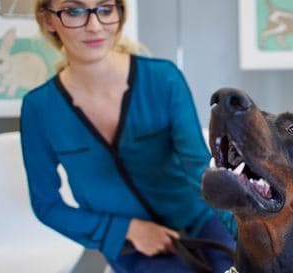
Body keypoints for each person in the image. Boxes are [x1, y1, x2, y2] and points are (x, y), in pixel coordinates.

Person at [21, 0, 235, 272]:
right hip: (131, 244)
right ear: (49, 19)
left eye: (105, 9)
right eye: (75, 11)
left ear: (119, 14)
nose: (94, 26)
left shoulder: (164, 79)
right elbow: (47, 205)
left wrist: (241, 228)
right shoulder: (38, 108)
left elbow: (198, 168)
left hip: (202, 220)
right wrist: (126, 229)